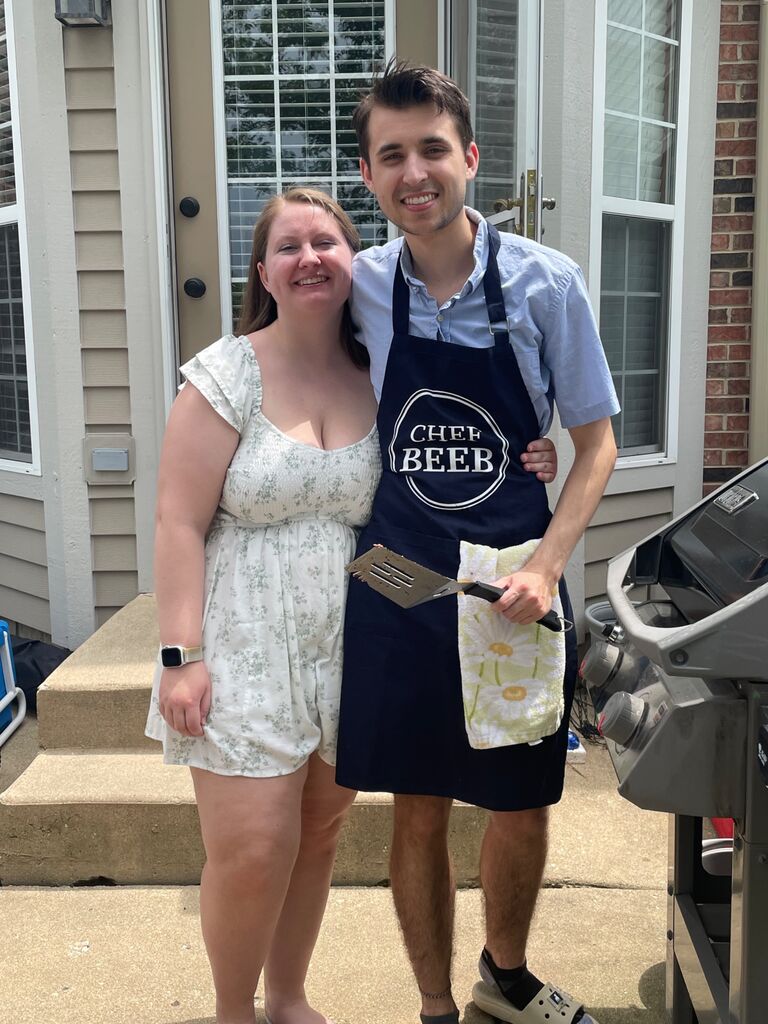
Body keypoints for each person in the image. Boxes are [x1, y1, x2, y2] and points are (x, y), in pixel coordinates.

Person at [144, 186, 558, 1024]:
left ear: (353, 261)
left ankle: (288, 994)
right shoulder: (225, 375)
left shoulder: (383, 368)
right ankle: (233, 1012)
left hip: (360, 630)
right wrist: (178, 657)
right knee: (254, 847)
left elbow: (450, 446)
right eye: (288, 246)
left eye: (325, 242)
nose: (309, 259)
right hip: (244, 636)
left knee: (319, 835)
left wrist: (530, 454)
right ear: (262, 270)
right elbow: (178, 524)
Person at [335, 62, 619, 1024]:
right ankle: (433, 1006)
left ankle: (504, 976)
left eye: (431, 151)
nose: (414, 173)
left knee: (518, 799)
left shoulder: (548, 282)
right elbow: (281, 374)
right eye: (391, 156)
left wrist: (549, 564)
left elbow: (595, 443)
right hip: (401, 578)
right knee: (414, 802)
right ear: (369, 177)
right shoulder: (357, 287)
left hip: (511, 582)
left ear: (470, 159)